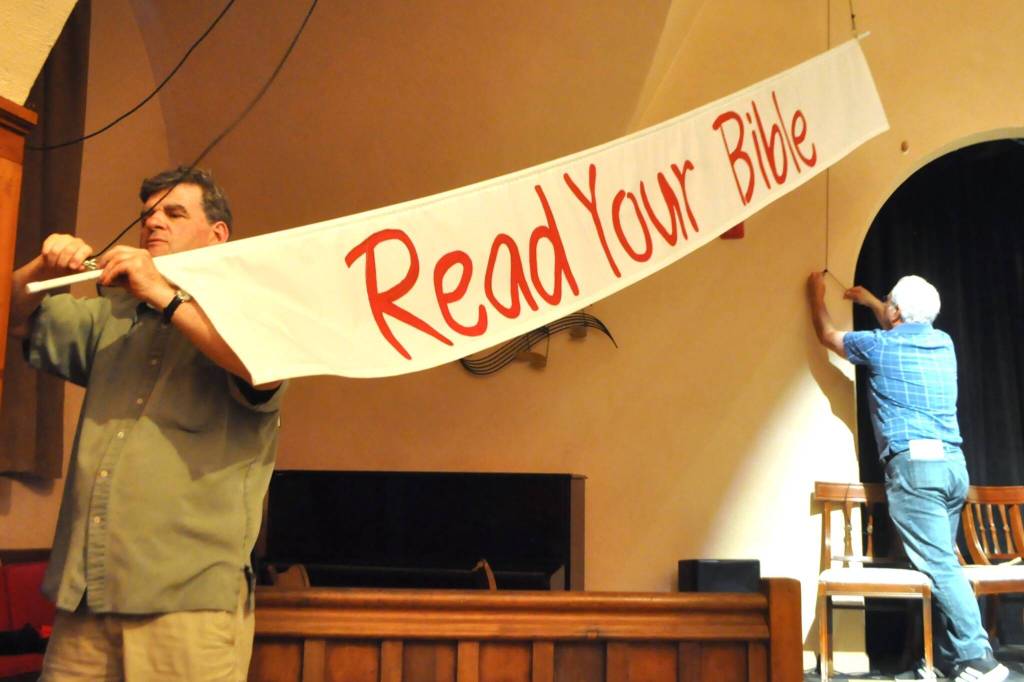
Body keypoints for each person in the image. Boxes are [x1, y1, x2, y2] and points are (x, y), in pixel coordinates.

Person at [8, 166, 285, 681]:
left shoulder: (251, 314)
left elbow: (262, 369)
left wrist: (163, 292)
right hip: (87, 598)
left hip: (185, 606)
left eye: (174, 213)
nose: (153, 222)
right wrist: (41, 269)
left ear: (217, 234)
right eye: (147, 215)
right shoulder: (111, 316)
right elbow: (12, 315)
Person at [807, 271, 1009, 682]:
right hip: (953, 468)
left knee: (938, 566)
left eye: (888, 304)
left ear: (896, 312)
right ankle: (946, 660)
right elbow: (905, 319)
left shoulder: (879, 346)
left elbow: (829, 336)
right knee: (938, 565)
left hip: (916, 470)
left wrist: (816, 297)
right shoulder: (943, 343)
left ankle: (978, 657)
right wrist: (870, 301)